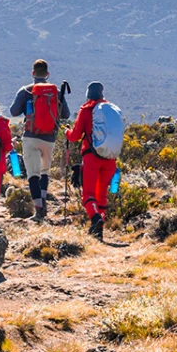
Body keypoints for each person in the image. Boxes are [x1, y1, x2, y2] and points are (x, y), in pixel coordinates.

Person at [10, 59, 70, 222]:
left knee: (33, 174)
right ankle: (43, 202)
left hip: (31, 136)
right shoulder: (55, 91)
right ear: (47, 74)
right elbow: (66, 114)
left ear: (33, 73)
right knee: (44, 172)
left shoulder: (25, 91)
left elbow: (13, 111)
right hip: (49, 138)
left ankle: (38, 211)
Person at [65, 82, 119, 241]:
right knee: (101, 195)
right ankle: (99, 230)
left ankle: (95, 219)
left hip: (92, 157)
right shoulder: (111, 110)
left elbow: (75, 136)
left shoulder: (86, 110)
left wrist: (67, 132)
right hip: (110, 159)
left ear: (88, 95)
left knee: (88, 194)